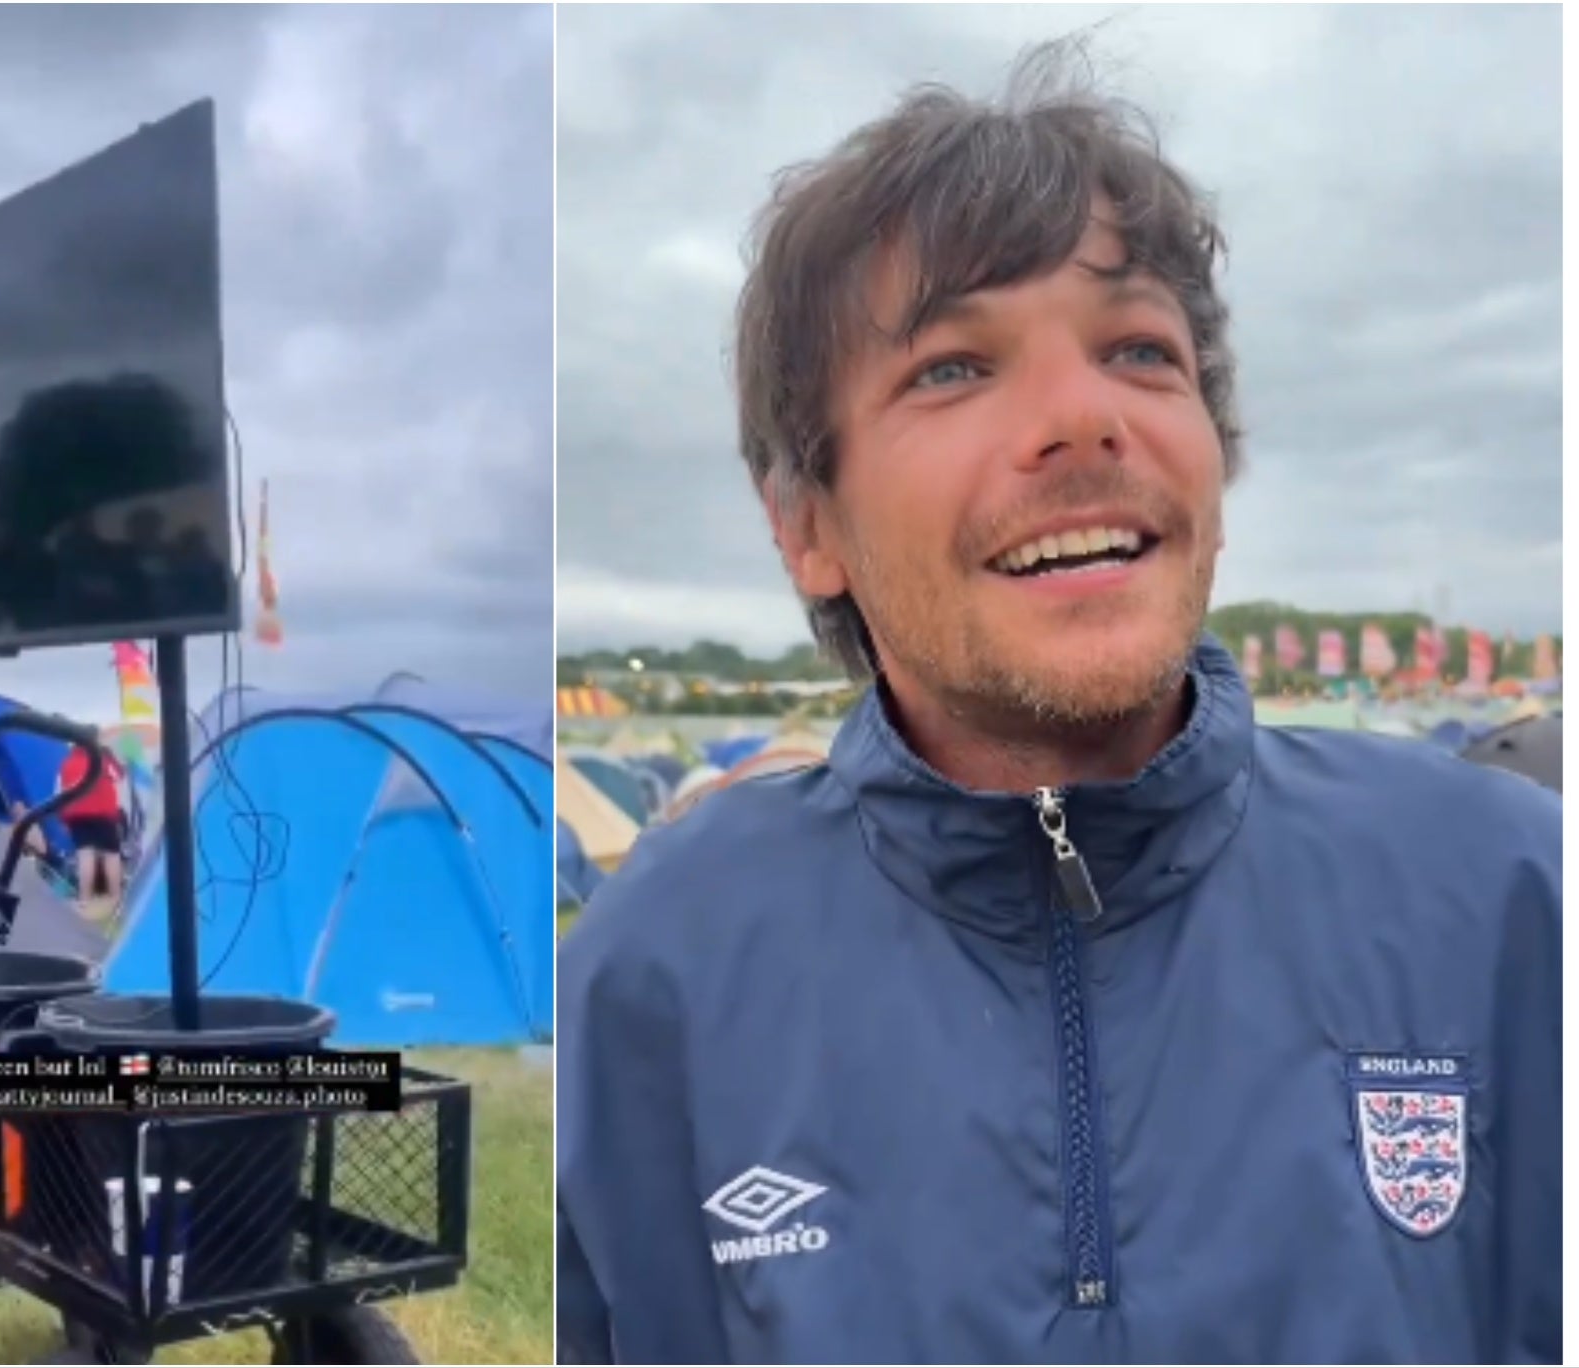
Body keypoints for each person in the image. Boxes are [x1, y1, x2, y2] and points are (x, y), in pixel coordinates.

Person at [555, 40, 1560, 1367]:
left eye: (1139, 350)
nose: (1082, 419)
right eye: (953, 369)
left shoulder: (1508, 899)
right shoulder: (649, 976)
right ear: (809, 524)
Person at [57, 743, 127, 917]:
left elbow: (59, 792)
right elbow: (119, 777)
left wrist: (64, 820)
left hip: (76, 815)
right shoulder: (103, 758)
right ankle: (116, 898)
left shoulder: (67, 763)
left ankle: (84, 901)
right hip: (103, 813)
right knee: (111, 854)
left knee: (85, 854)